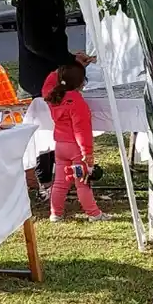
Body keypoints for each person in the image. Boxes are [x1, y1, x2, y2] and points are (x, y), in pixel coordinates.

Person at [16, 0, 92, 189]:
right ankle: (44, 178)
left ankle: (54, 176)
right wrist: (67, 60)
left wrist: (69, 59)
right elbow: (36, 42)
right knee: (45, 126)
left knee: (57, 124)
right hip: (40, 75)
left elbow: (52, 39)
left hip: (51, 71)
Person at [42, 60, 107, 223]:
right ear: (81, 83)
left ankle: (55, 214)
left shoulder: (53, 97)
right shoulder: (77, 102)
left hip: (60, 147)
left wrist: (59, 70)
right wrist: (87, 153)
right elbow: (81, 130)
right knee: (82, 182)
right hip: (77, 149)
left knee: (59, 183)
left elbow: (47, 84)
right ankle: (93, 213)